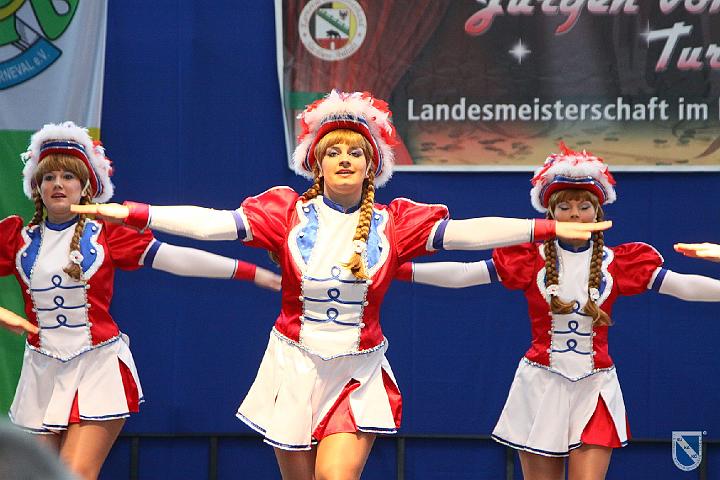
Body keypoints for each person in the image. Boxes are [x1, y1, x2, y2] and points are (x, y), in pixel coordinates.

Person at [73, 91, 609, 480]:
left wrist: (547, 228)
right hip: (293, 365)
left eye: (356, 152)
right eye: (333, 152)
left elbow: (468, 234)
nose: (345, 159)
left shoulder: (397, 222)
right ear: (318, 164)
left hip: (358, 369)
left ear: (372, 165)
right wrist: (134, 212)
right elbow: (212, 224)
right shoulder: (285, 213)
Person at [396, 143, 720, 480]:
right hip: (540, 385)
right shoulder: (528, 259)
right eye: (564, 207)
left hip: (595, 388)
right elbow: (465, 274)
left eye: (584, 206)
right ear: (550, 215)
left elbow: (684, 286)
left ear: (598, 212)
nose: (575, 214)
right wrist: (399, 270)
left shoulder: (621, 263)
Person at [0, 122, 280, 480]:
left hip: (96, 366)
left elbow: (175, 258)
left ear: (86, 187)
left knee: (75, 473)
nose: (58, 184)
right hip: (40, 371)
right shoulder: (16, 238)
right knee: (31, 475)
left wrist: (250, 273)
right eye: (49, 177)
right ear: (37, 186)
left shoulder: (107, 234)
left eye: (68, 176)